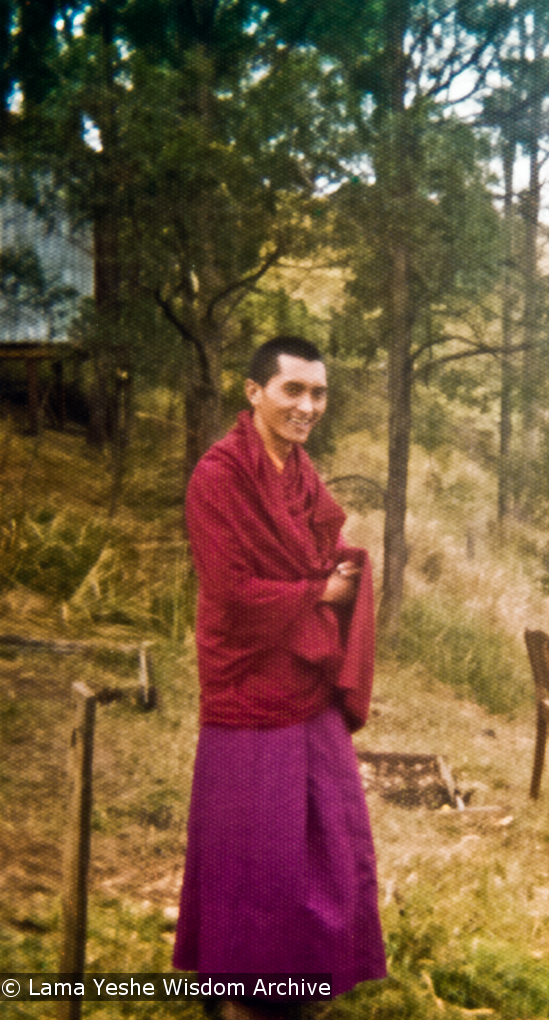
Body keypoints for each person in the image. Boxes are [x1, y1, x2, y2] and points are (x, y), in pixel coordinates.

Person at [173, 337, 387, 1019]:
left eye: (317, 393)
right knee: (253, 848)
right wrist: (320, 594)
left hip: (306, 678)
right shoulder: (218, 477)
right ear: (253, 393)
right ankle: (239, 996)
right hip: (247, 682)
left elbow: (318, 548)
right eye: (292, 390)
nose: (306, 406)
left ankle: (303, 977)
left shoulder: (300, 472)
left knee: (327, 829)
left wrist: (344, 570)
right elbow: (231, 591)